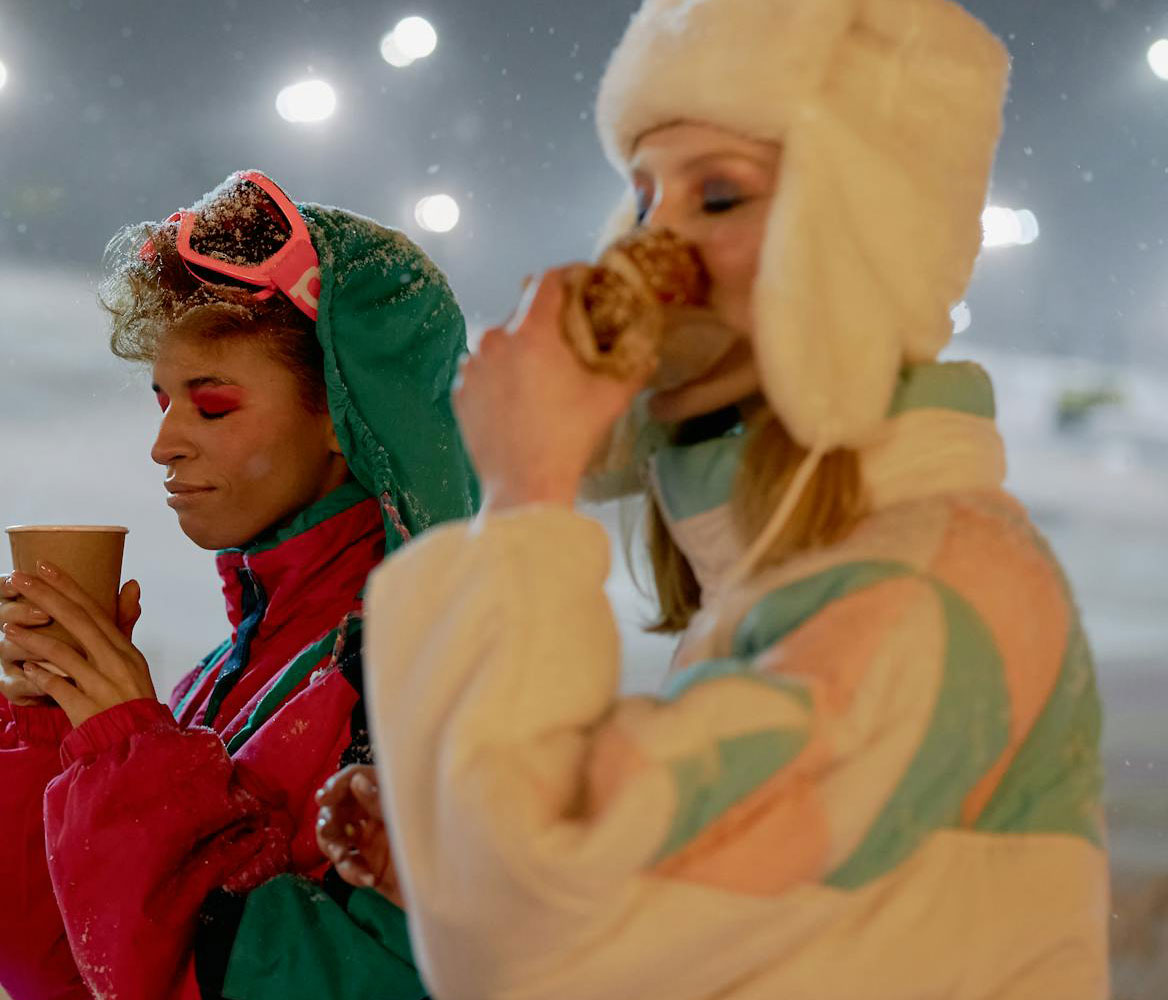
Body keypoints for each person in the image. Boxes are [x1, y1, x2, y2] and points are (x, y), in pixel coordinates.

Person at [317, 1, 1109, 997]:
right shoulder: (795, 564)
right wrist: (444, 867)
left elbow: (534, 945)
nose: (657, 257)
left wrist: (527, 487)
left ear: (857, 245)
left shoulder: (924, 593)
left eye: (722, 197)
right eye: (646, 203)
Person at [0, 170, 476, 999]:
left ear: (350, 419)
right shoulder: (228, 673)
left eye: (212, 406)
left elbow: (338, 981)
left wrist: (130, 754)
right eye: (162, 400)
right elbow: (50, 969)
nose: (163, 443)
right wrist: (59, 735)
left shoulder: (433, 679)